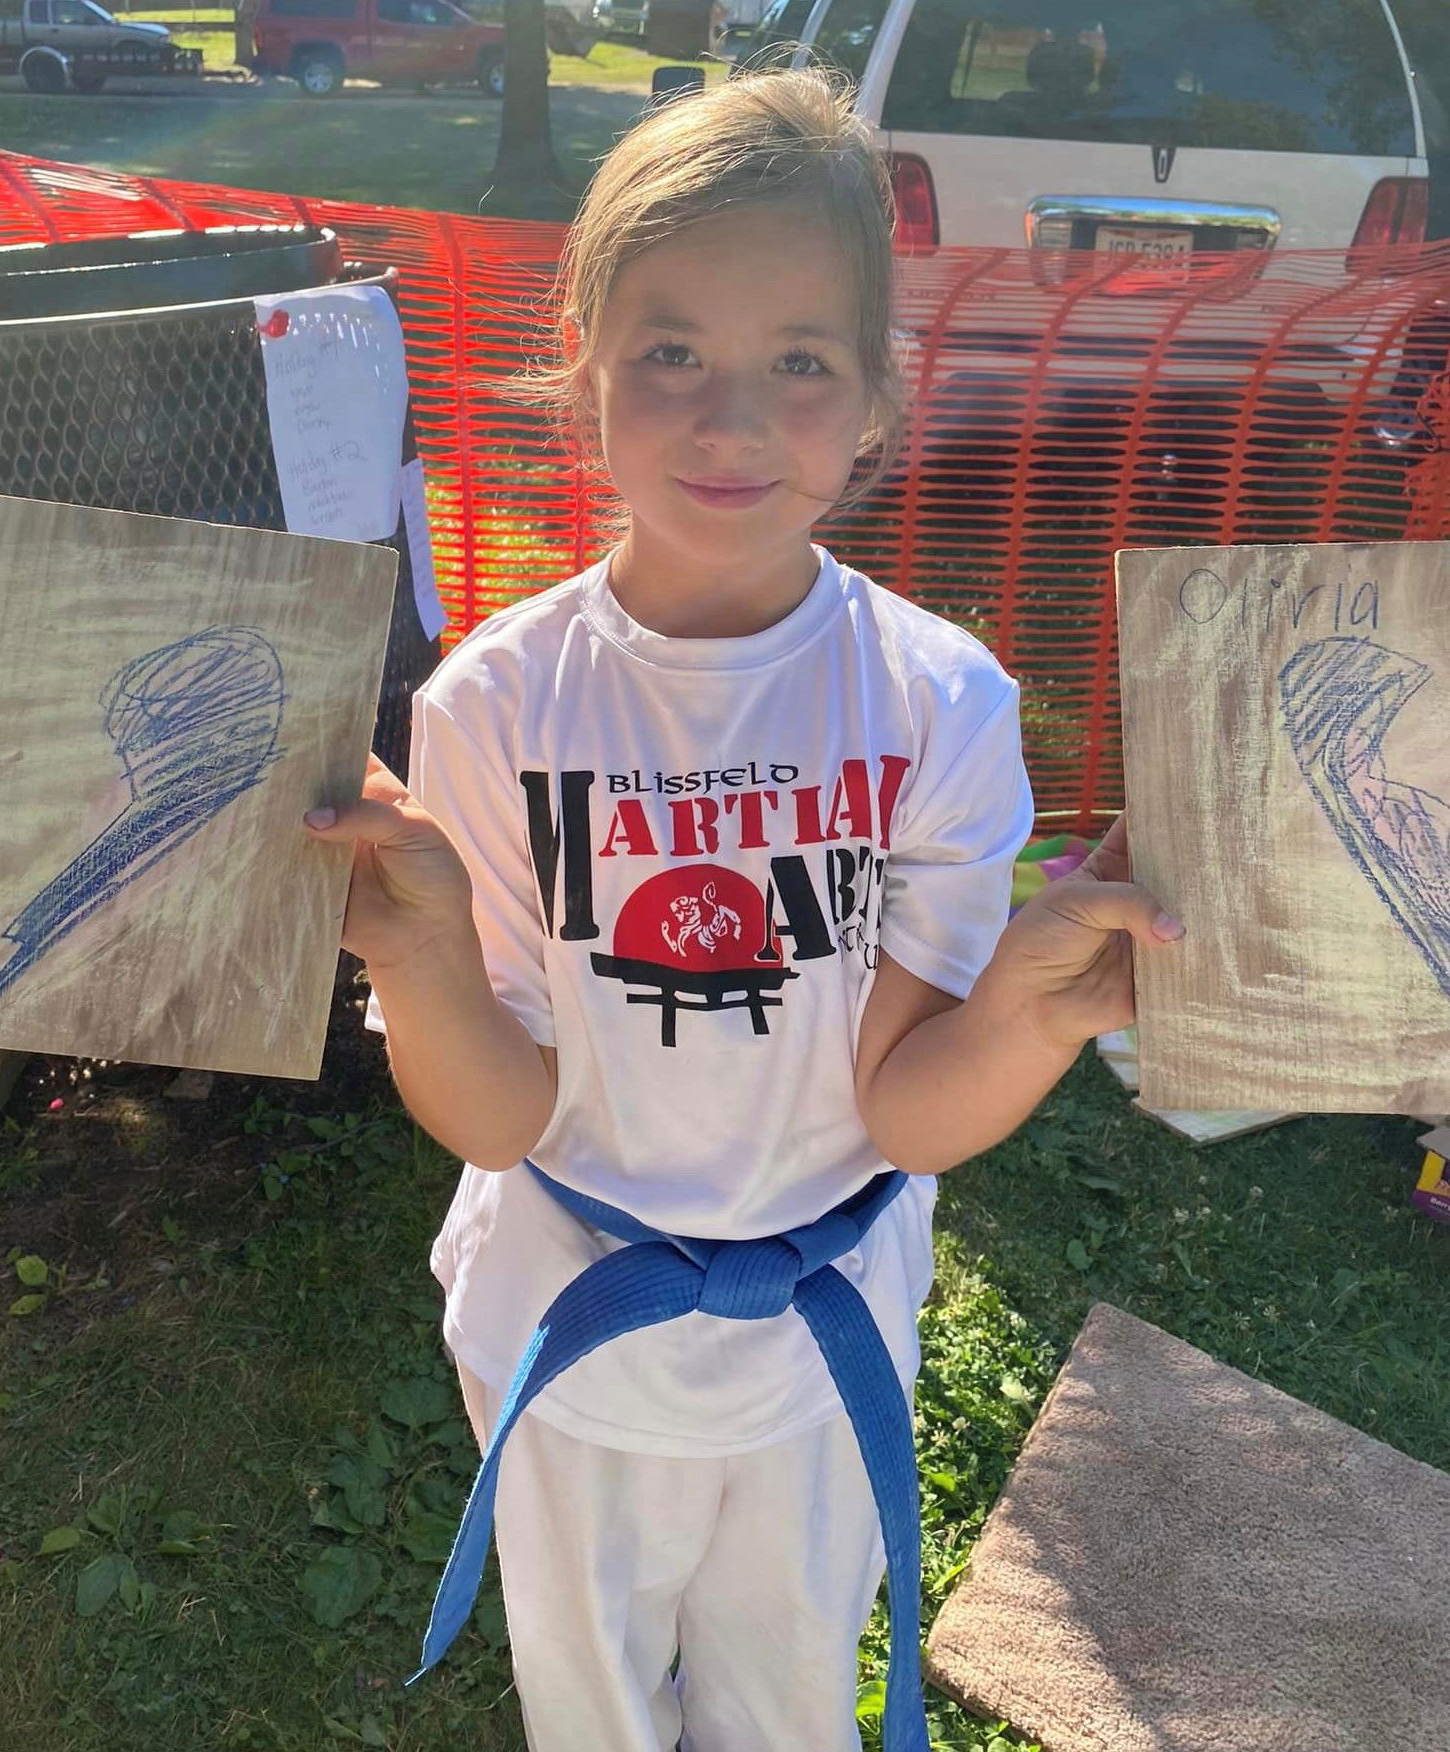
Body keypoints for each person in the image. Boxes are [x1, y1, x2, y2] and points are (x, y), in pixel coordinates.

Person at [302, 64, 1183, 1752]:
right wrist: (415, 948)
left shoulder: (935, 700)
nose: (730, 422)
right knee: (594, 1704)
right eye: (671, 354)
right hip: (570, 1334)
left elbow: (907, 1111)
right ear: (585, 375)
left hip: (816, 1343)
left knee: (785, 1700)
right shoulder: (496, 702)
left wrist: (1033, 1012)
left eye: (798, 362)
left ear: (874, 399)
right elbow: (499, 1113)